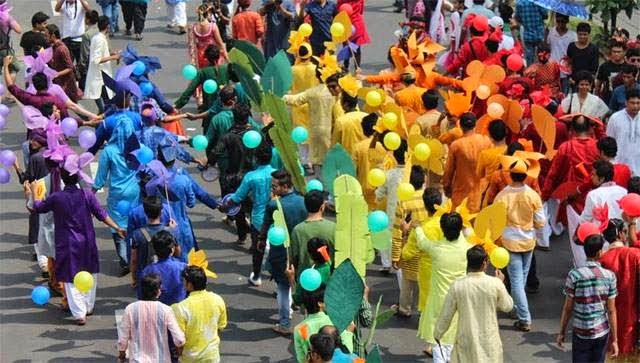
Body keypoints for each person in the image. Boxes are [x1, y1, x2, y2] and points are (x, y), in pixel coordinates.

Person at [26, 166, 125, 325]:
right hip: (87, 241)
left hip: (66, 243)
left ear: (63, 180)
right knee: (89, 272)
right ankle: (89, 306)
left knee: (70, 276)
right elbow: (102, 214)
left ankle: (79, 313)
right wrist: (117, 227)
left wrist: (33, 192)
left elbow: (37, 208)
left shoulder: (57, 197)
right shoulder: (87, 195)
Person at [434, 246, 514, 363]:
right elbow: (508, 306)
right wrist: (501, 283)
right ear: (484, 263)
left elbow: (446, 315)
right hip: (489, 340)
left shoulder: (457, 286)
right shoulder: (495, 283)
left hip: (466, 339)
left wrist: (437, 333)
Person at [494, 156, 546, 332]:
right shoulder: (533, 195)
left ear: (510, 175)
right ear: (525, 175)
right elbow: (541, 222)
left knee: (516, 281)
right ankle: (518, 310)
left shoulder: (502, 196)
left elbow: (495, 221)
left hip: (510, 242)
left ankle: (524, 318)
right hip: (529, 242)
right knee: (521, 280)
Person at [415, 212, 471, 363]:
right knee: (454, 339)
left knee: (438, 341)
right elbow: (470, 234)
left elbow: (421, 242)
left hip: (438, 301)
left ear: (442, 229)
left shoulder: (436, 248)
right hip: (459, 300)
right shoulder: (467, 248)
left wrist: (418, 227)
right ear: (459, 229)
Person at [557, 235, 619, 362]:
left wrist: (562, 332)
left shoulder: (574, 275)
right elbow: (611, 310)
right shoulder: (610, 276)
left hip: (581, 332)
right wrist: (615, 340)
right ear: (599, 252)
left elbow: (568, 308)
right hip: (601, 332)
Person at [261, 169, 308, 335]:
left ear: (285, 186)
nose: (272, 189)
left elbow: (265, 228)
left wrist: (260, 243)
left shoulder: (274, 205)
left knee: (282, 287)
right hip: (302, 251)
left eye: (275, 186)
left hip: (281, 253)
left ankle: (284, 323)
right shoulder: (303, 201)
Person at [228, 142, 275, 285]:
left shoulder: (251, 176)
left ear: (256, 158)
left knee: (258, 249)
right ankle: (275, 274)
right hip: (276, 217)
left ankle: (256, 276)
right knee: (277, 248)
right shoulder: (277, 172)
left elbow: (238, 197)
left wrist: (225, 205)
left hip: (259, 218)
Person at [117, 273, 186, 363]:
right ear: (158, 291)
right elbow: (179, 339)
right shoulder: (166, 310)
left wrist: (122, 356)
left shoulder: (130, 309)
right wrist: (179, 350)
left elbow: (123, 338)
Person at [284, 72, 340, 175]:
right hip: (337, 131)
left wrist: (277, 96)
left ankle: (320, 182)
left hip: (317, 132)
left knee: (318, 159)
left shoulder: (314, 92)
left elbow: (294, 100)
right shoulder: (340, 93)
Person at [542, 115, 600, 213]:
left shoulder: (565, 147)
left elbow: (553, 174)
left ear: (572, 129)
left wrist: (544, 195)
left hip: (570, 193)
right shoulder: (598, 146)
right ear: (589, 128)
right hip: (592, 193)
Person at [600, 219, 640, 359]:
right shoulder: (635, 255)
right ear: (621, 235)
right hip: (633, 319)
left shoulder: (602, 260)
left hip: (609, 322)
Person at [391, 166, 427, 317]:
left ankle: (404, 309)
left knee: (407, 281)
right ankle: (425, 310)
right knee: (425, 281)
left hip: (409, 247)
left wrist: (395, 256)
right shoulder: (430, 198)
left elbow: (397, 231)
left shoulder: (404, 202)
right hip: (427, 248)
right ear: (424, 181)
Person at [172, 266, 228, 363]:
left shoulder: (180, 308)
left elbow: (179, 339)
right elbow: (221, 326)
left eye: (184, 281)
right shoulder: (217, 299)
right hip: (211, 356)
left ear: (189, 285)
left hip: (189, 358)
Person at [443, 112, 492, 212]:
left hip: (460, 195)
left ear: (460, 125)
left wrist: (446, 187)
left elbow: (449, 170)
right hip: (480, 195)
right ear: (475, 125)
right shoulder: (486, 141)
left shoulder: (456, 145)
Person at [293, 286, 354, 363]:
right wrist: (349, 333)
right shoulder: (334, 321)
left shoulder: (299, 329)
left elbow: (301, 358)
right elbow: (348, 349)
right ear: (320, 303)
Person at [375, 140, 408, 274]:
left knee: (388, 235)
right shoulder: (413, 172)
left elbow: (379, 194)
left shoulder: (389, 174)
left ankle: (386, 264)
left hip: (392, 211)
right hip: (409, 210)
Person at [129, 195, 176, 288]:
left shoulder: (137, 234)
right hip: (166, 273)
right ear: (161, 211)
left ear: (145, 212)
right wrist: (174, 230)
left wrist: (134, 278)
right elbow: (177, 252)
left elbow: (134, 260)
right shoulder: (171, 232)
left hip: (146, 276)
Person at [3, 56, 68, 118]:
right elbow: (66, 118)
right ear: (48, 84)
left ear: (34, 85)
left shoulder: (30, 99)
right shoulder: (57, 101)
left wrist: (6, 66)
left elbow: (11, 87)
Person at [290, 190, 336, 274]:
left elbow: (294, 258)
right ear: (322, 206)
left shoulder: (297, 230)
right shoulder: (334, 227)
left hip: (305, 277)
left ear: (305, 206)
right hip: (330, 276)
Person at [176, 44, 229, 113]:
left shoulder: (203, 72)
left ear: (207, 58)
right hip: (226, 107)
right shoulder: (226, 69)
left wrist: (177, 105)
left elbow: (190, 90)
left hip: (210, 108)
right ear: (219, 56)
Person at [84, 16, 120, 113]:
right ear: (107, 26)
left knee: (107, 103)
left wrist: (111, 54)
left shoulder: (98, 37)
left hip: (102, 77)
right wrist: (113, 57)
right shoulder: (99, 39)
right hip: (100, 76)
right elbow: (96, 59)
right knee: (106, 107)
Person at [141, 231, 187, 305]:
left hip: (158, 308)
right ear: (172, 249)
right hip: (179, 307)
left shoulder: (147, 270)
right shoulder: (182, 267)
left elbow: (143, 294)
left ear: (155, 250)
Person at [606, 88, 640, 176]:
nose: (635, 106)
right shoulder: (615, 118)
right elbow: (609, 143)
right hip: (619, 167)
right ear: (626, 103)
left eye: (638, 103)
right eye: (632, 103)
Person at [46, 24, 82, 102]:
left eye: (47, 35)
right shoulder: (53, 47)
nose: (45, 37)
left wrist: (57, 74)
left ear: (53, 35)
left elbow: (70, 67)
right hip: (59, 83)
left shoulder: (62, 49)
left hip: (66, 84)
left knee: (73, 106)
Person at [476, 120, 508, 208]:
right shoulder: (511, 152)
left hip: (488, 191)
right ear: (506, 132)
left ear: (489, 135)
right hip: (505, 191)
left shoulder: (485, 154)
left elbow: (479, 174)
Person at [187, 5, 228, 71]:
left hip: (200, 55)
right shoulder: (213, 26)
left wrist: (193, 62)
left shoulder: (192, 27)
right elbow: (220, 43)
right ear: (208, 13)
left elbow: (191, 46)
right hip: (212, 54)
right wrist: (226, 57)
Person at [546, 13, 575, 94]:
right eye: (558, 21)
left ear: (567, 21)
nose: (560, 24)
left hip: (565, 69)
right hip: (552, 67)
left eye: (563, 21)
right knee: (552, 92)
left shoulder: (572, 36)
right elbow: (547, 47)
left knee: (563, 92)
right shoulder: (551, 32)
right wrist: (545, 35)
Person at [0, 1, 21, 103]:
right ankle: (9, 94)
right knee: (15, 68)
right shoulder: (6, 17)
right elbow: (18, 30)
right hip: (4, 49)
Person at [77, 10, 99, 91]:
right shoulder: (99, 30)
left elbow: (85, 52)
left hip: (90, 61)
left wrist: (81, 65)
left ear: (88, 20)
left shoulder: (87, 35)